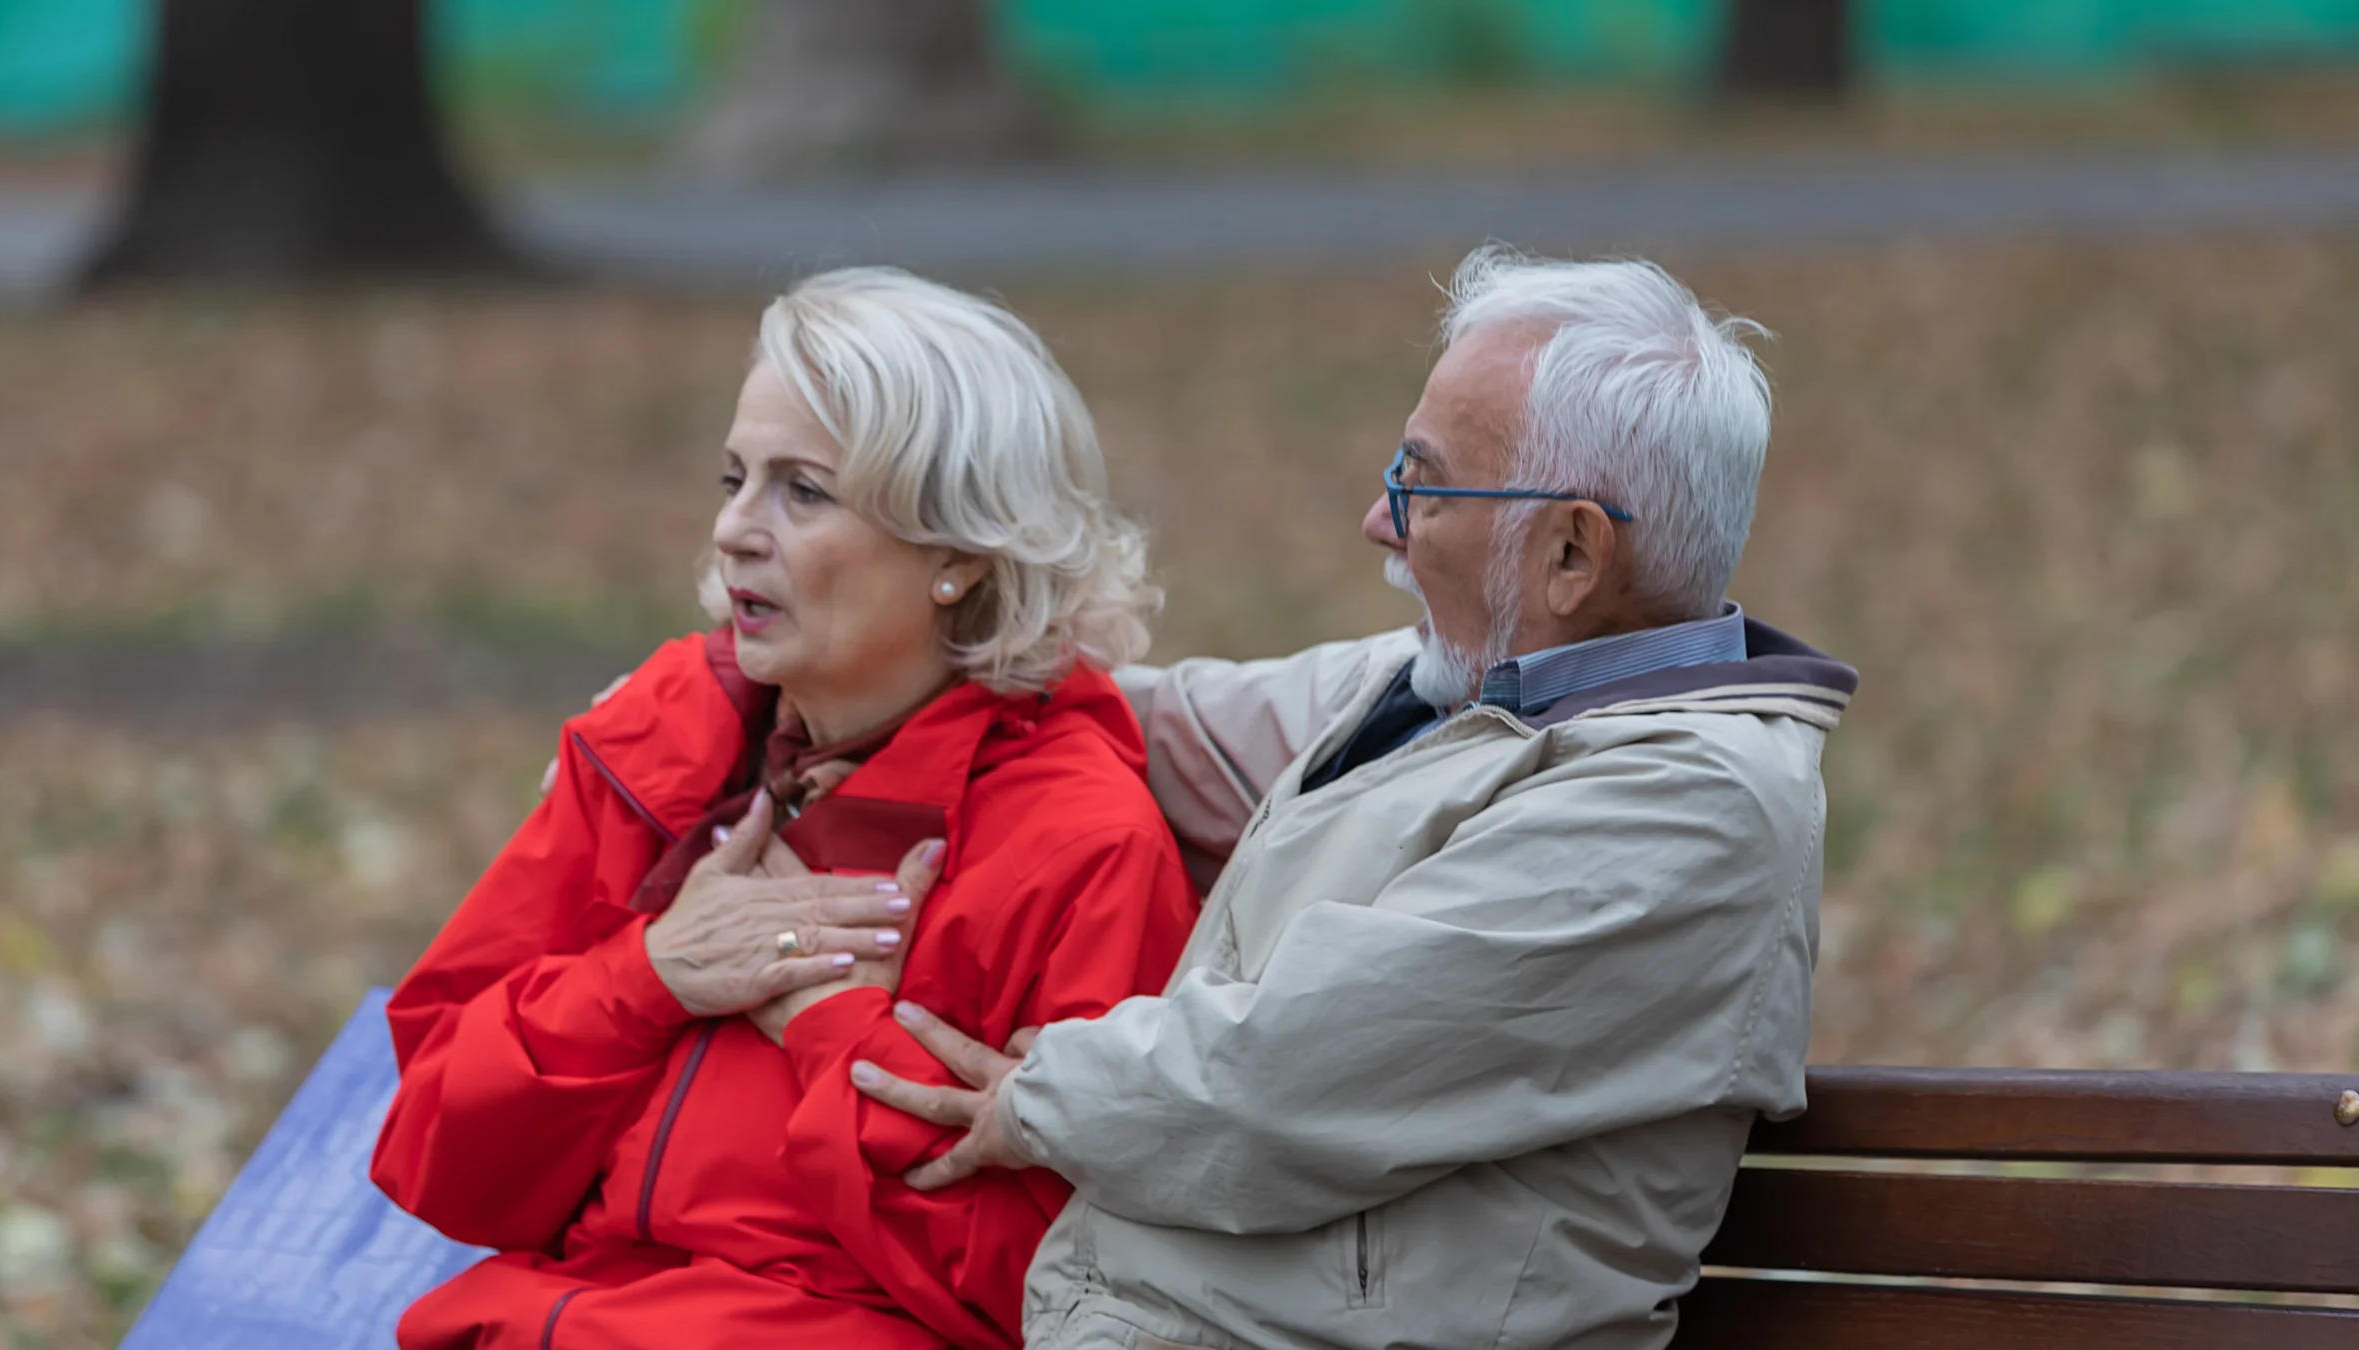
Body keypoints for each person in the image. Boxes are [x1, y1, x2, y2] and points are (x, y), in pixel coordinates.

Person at [849, 246, 1859, 1350]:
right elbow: (1149, 725)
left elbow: (1272, 1083)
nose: (1380, 521)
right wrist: (827, 683)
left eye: (1422, 485)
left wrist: (1036, 1099)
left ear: (1572, 553)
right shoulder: (1453, 682)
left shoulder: (1689, 808)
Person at [369, 267, 1200, 1350]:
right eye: (733, 480)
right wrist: (649, 977)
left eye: (802, 492)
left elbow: (1063, 1294)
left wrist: (827, 1028)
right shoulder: (660, 743)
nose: (734, 533)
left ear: (955, 552)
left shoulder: (1078, 847)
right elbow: (435, 1152)